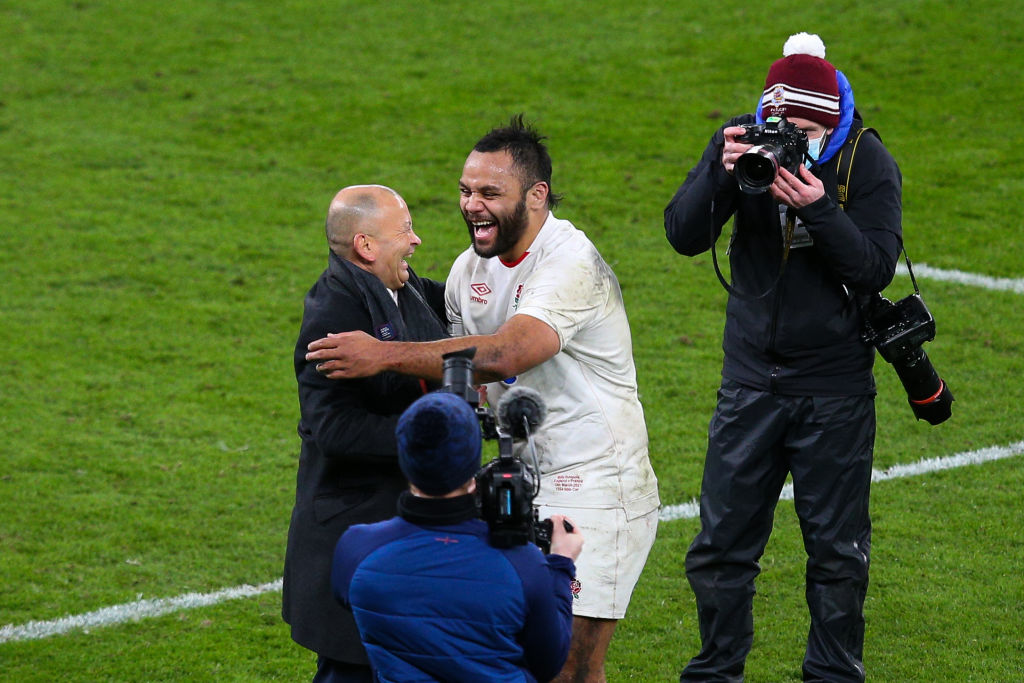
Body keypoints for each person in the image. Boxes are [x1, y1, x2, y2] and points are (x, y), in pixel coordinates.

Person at [306, 115, 660, 682]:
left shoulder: (570, 263)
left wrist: (382, 354)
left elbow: (507, 353)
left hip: (594, 483)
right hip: (513, 483)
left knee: (567, 669)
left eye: (490, 193)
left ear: (536, 196)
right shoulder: (468, 269)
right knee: (511, 659)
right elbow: (453, 363)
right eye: (466, 191)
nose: (472, 205)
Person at [664, 33, 902, 682]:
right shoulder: (741, 141)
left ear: (828, 123)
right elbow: (683, 235)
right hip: (750, 383)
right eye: (779, 127)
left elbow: (875, 268)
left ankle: (832, 675)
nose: (787, 142)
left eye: (802, 132)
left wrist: (818, 208)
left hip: (833, 391)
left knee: (837, 555)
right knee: (719, 548)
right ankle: (715, 672)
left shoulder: (865, 160)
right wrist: (721, 171)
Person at [282, 184, 448, 682]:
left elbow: (468, 312)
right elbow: (334, 429)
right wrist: (431, 438)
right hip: (353, 536)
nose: (416, 240)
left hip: (401, 528)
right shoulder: (334, 315)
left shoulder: (406, 289)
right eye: (406, 230)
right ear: (366, 246)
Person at [332, 391, 584, 682]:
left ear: (405, 459)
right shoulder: (522, 563)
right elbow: (549, 661)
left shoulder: (356, 548)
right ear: (472, 471)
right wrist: (561, 564)